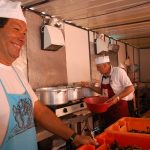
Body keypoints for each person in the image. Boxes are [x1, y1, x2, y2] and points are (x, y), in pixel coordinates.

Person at [0, 1, 96, 150]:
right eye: (16, 29)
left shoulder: (17, 73)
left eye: (24, 33)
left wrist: (74, 137)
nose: (22, 38)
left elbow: (39, 110)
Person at [81, 55, 135, 129]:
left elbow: (130, 88)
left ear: (105, 65)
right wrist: (89, 86)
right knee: (109, 131)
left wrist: (117, 97)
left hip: (119, 108)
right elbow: (101, 90)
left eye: (98, 67)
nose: (97, 69)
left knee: (121, 131)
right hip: (107, 109)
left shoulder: (118, 72)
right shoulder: (102, 76)